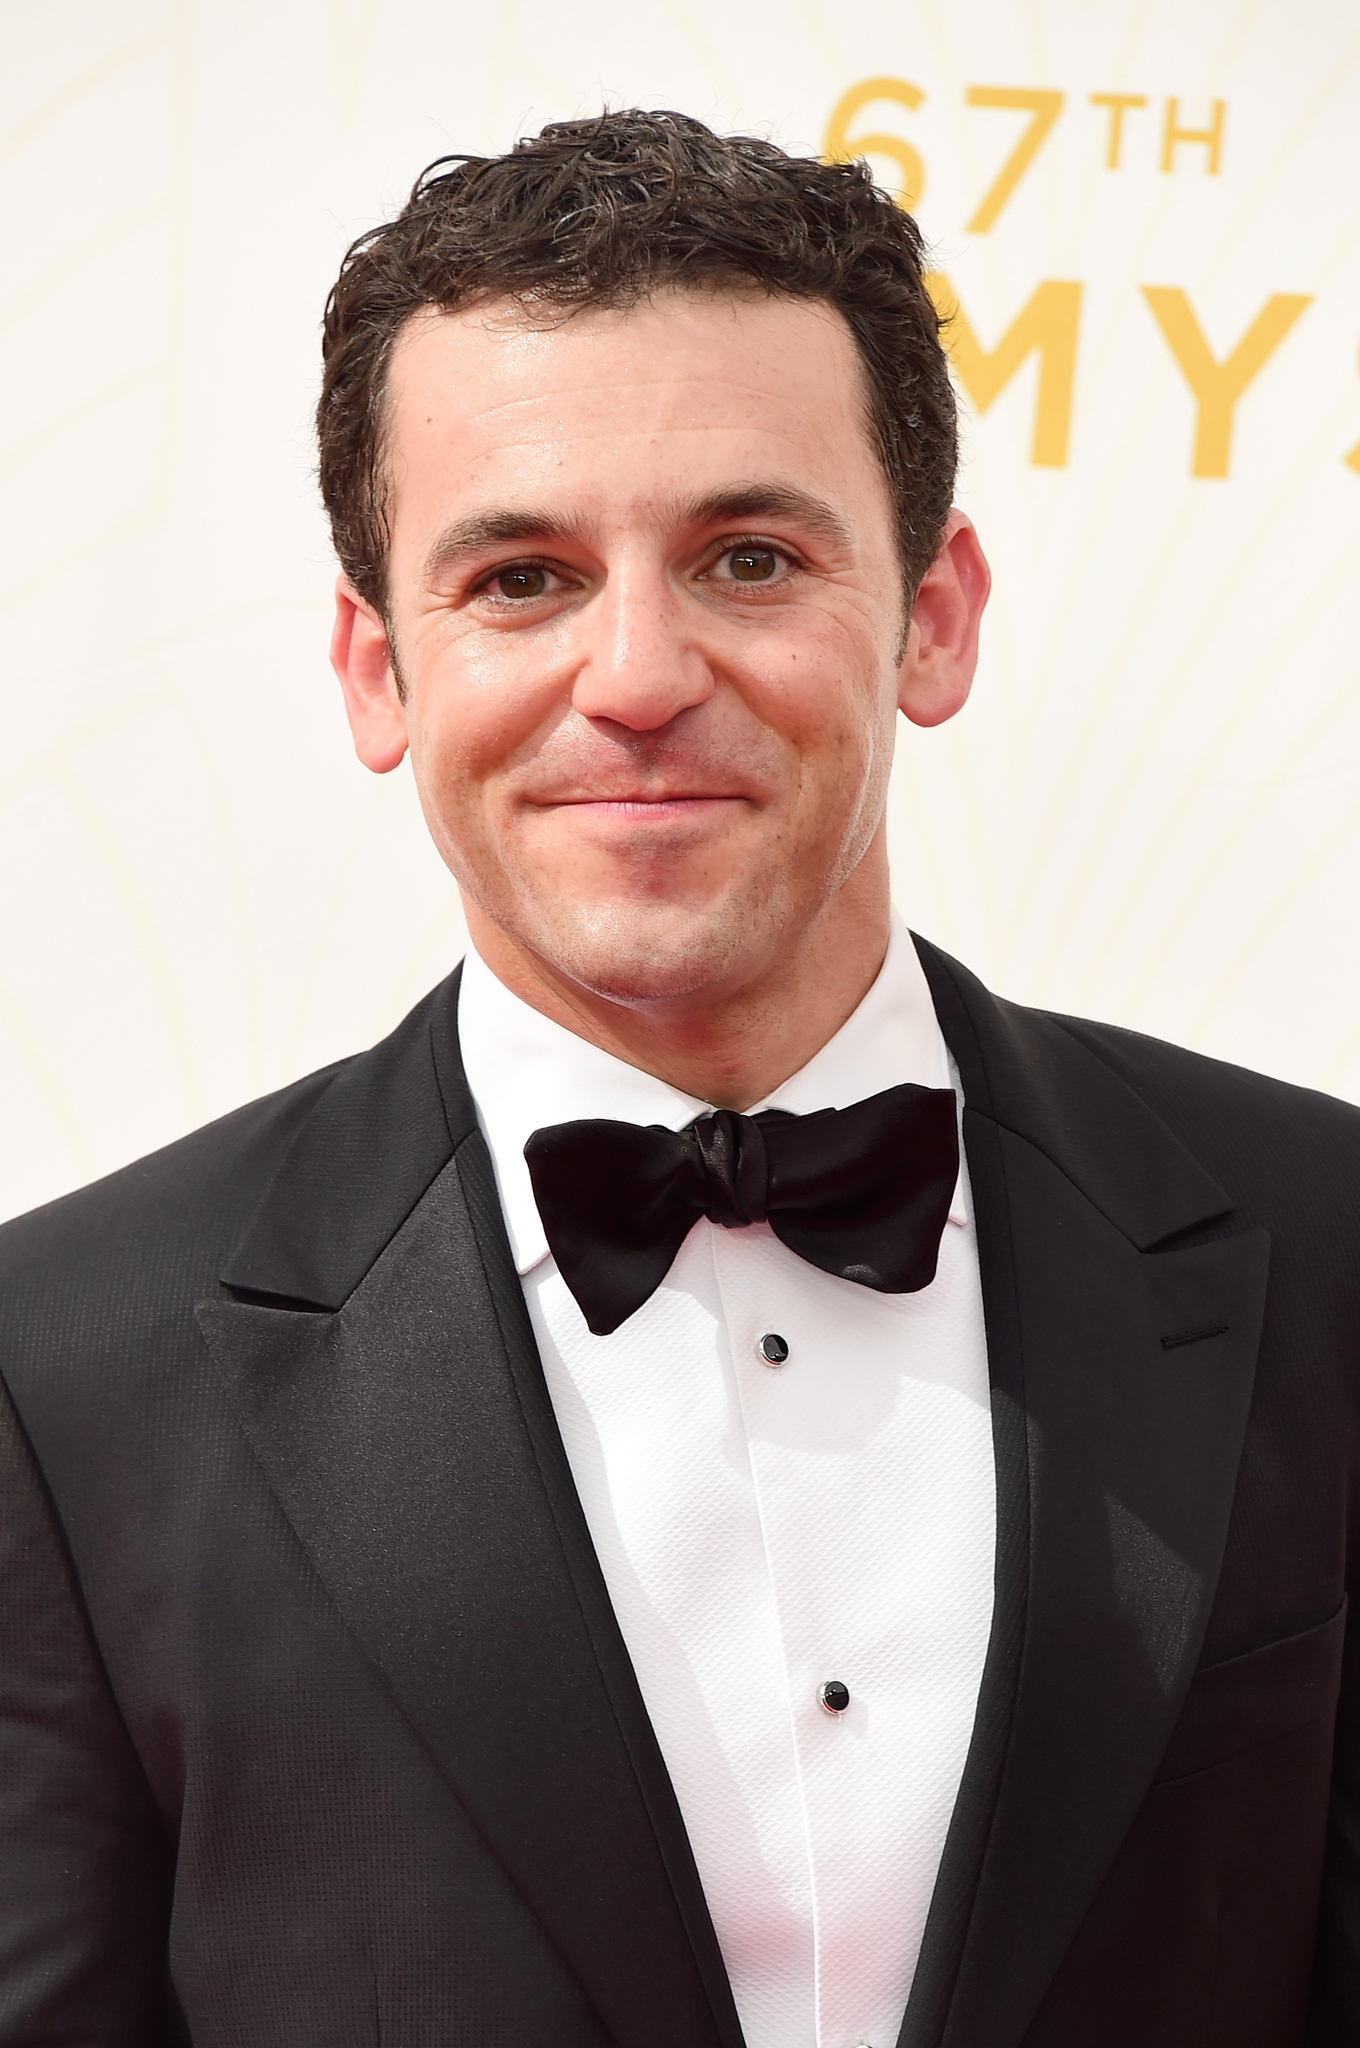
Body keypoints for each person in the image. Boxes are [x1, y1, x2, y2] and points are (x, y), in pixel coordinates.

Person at [1, 108, 1358, 2048]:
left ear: (936, 617)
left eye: (747, 557)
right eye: (520, 578)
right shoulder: (66, 1375)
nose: (636, 675)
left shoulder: (1323, 1249)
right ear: (377, 670)